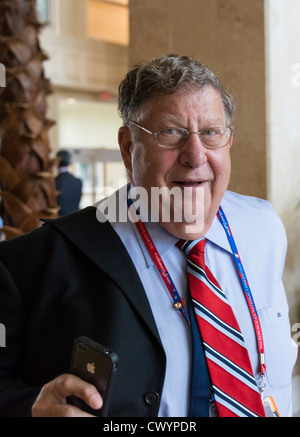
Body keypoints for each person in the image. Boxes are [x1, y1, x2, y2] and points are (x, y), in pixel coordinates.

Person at [0, 54, 297, 417]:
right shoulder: (39, 260)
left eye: (211, 132)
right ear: (128, 147)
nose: (195, 155)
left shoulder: (263, 227)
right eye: (171, 133)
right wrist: (28, 408)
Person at [55, 150, 82, 216]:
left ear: (56, 162)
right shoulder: (78, 182)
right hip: (75, 220)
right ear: (70, 163)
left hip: (58, 222)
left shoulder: (53, 182)